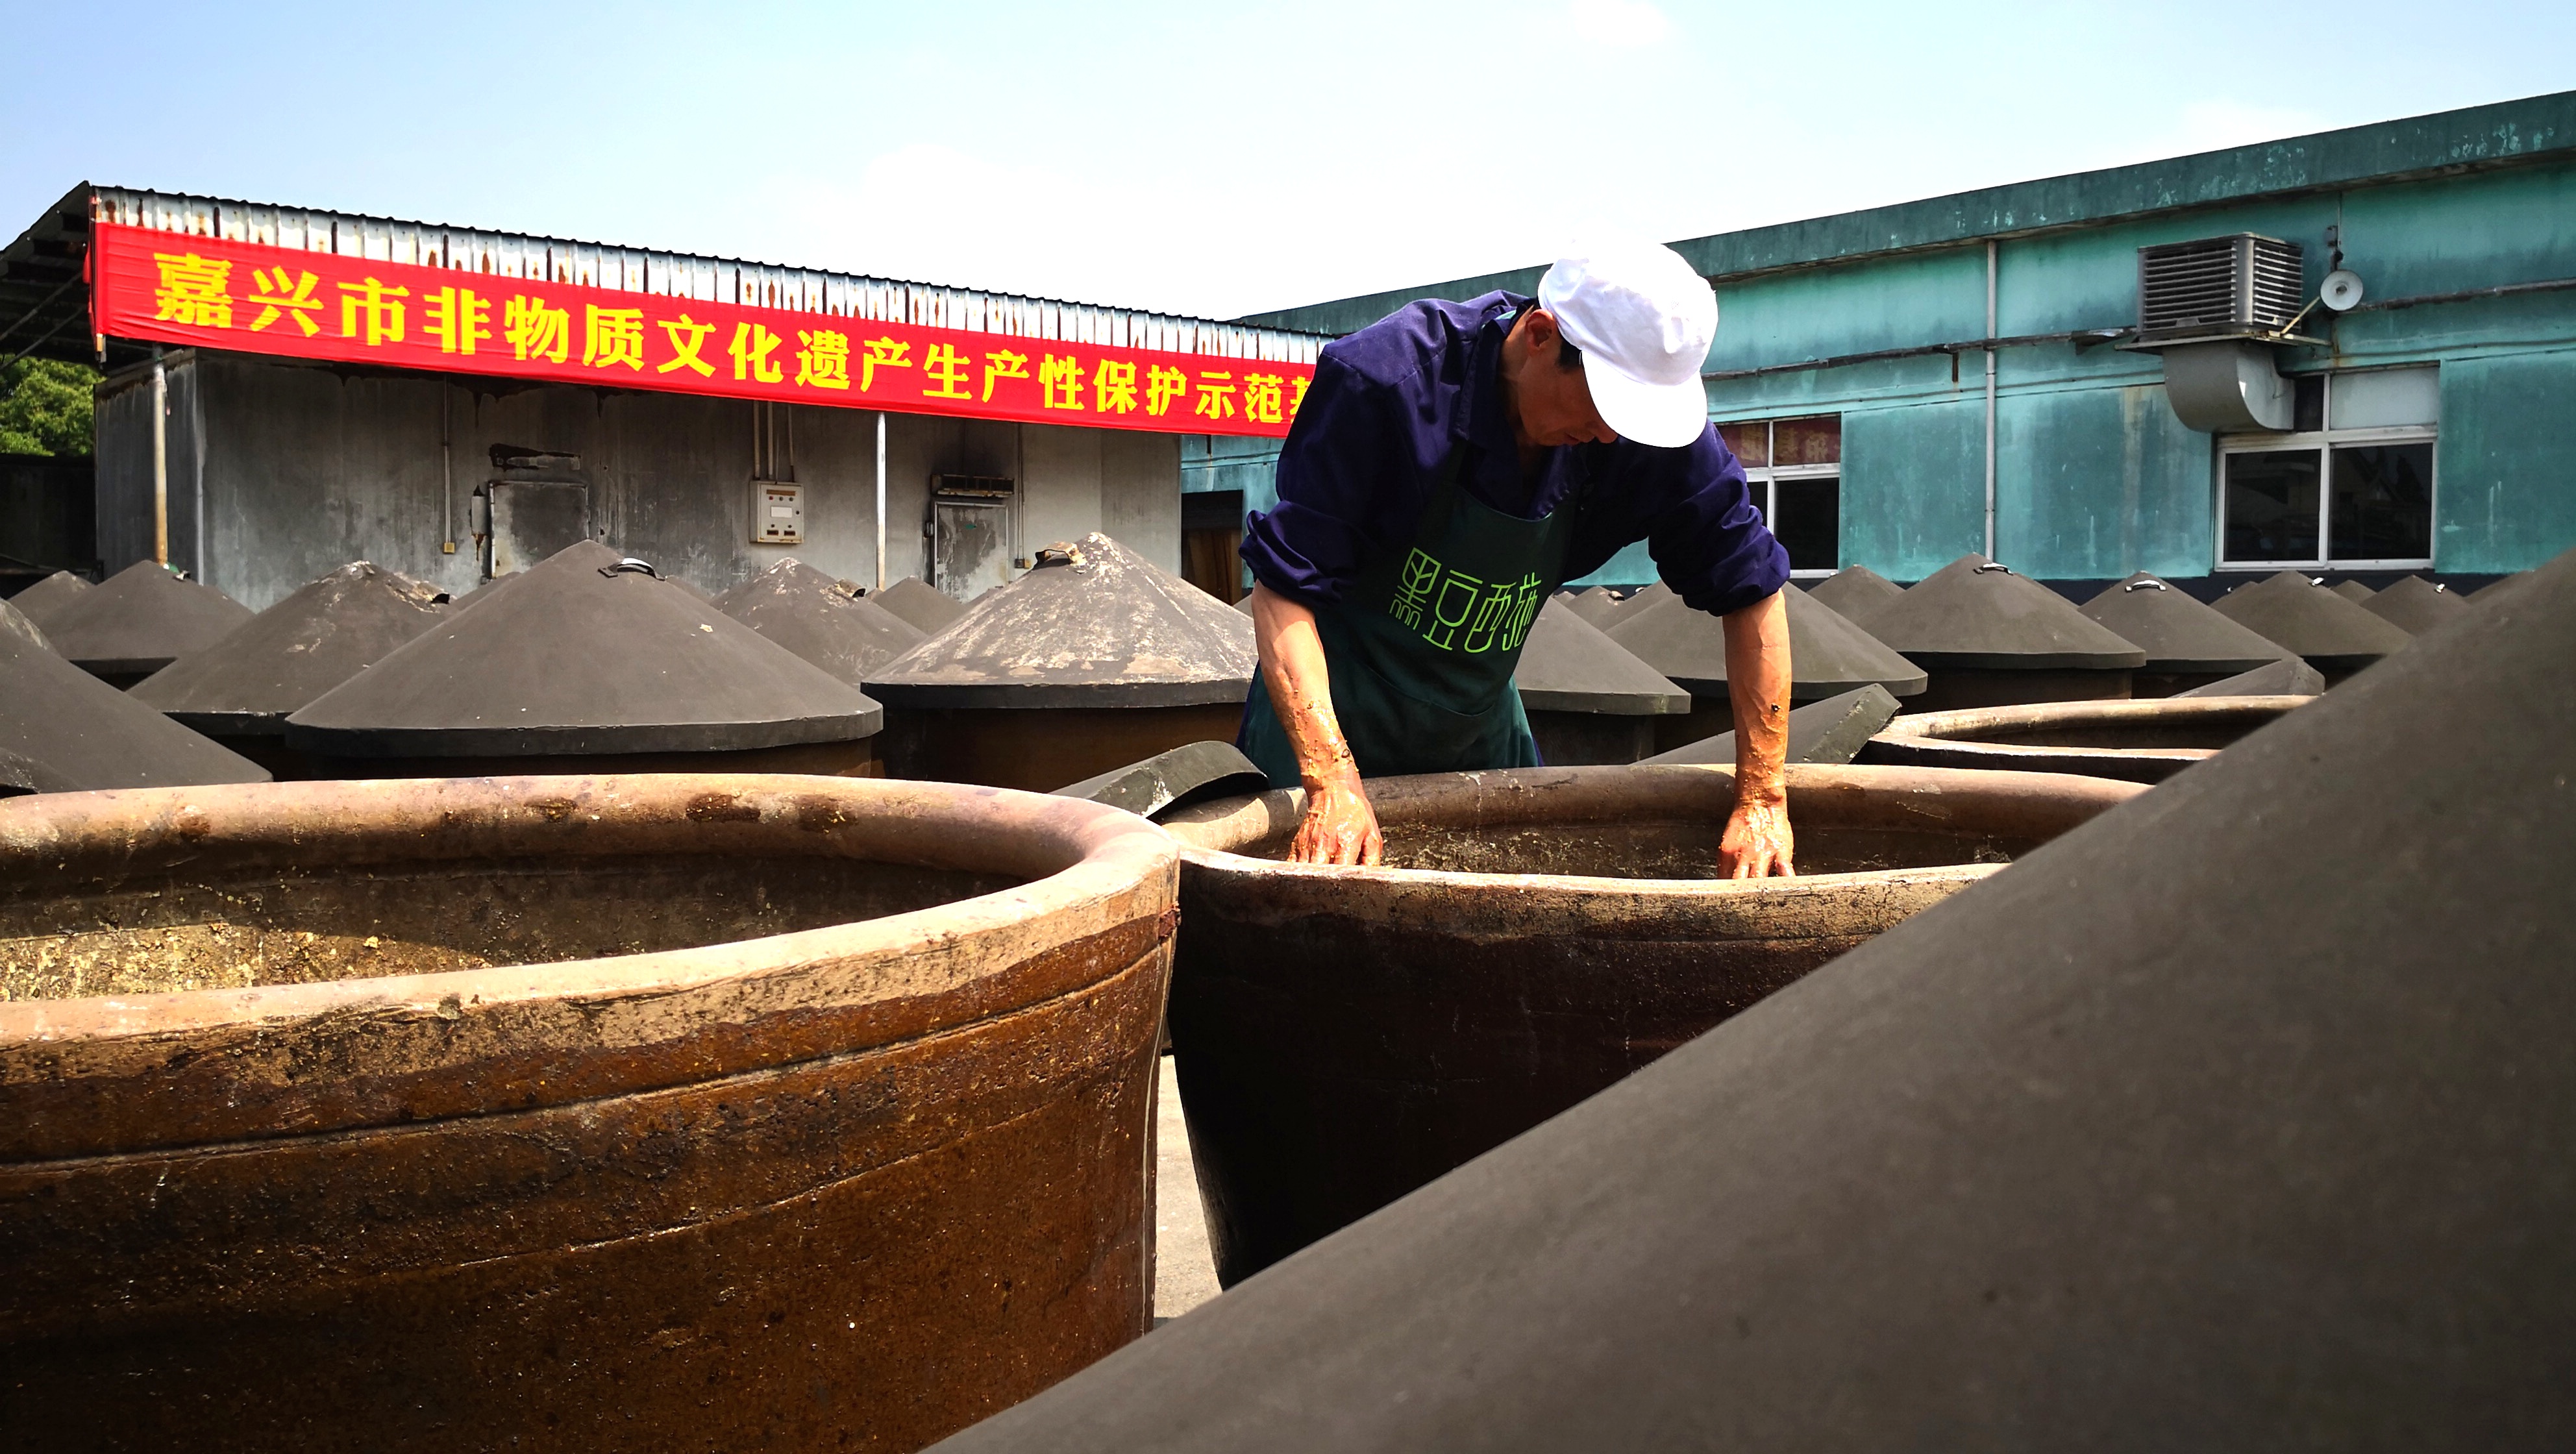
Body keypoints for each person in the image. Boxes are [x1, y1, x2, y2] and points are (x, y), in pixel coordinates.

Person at [1237, 240, 1796, 876]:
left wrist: (1761, 795)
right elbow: (1283, 588)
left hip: (1476, 729)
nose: (1610, 434)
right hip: (1327, 720)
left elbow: (1752, 590)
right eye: (1603, 405)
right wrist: (1331, 781)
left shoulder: (1646, 440)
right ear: (1538, 335)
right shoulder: (1389, 382)